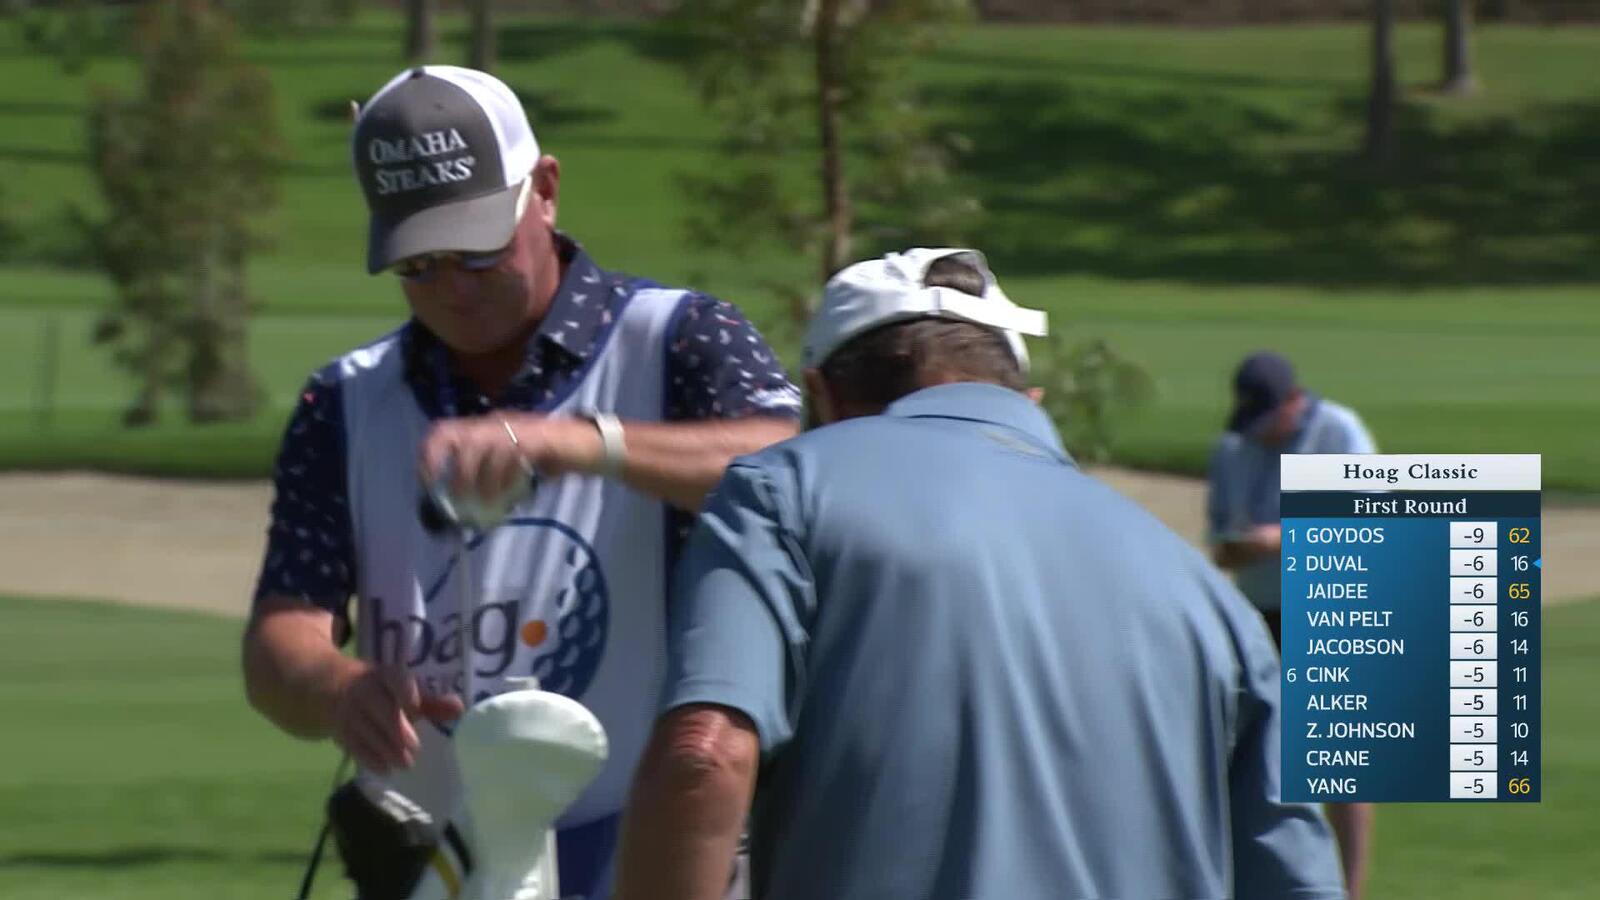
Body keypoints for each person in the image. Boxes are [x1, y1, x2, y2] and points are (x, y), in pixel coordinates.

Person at [613, 249, 1347, 900]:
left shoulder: (780, 491)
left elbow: (704, 757)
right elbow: (1299, 879)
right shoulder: (1210, 601)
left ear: (823, 393)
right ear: (1028, 401)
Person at [240, 65, 800, 899]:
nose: (453, 288)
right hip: (431, 865)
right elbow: (279, 643)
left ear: (544, 190)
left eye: (478, 251)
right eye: (419, 264)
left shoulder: (679, 337)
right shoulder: (344, 400)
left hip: (651, 854)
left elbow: (796, 477)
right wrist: (337, 686)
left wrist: (585, 443)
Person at [1207, 350, 1378, 900]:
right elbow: (1220, 543)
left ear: (1293, 402)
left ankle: (1349, 890)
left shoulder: (1339, 432)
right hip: (1259, 616)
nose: (1257, 433)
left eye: (1266, 419)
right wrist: (1241, 548)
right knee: (1251, 754)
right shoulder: (1232, 448)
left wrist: (1279, 538)